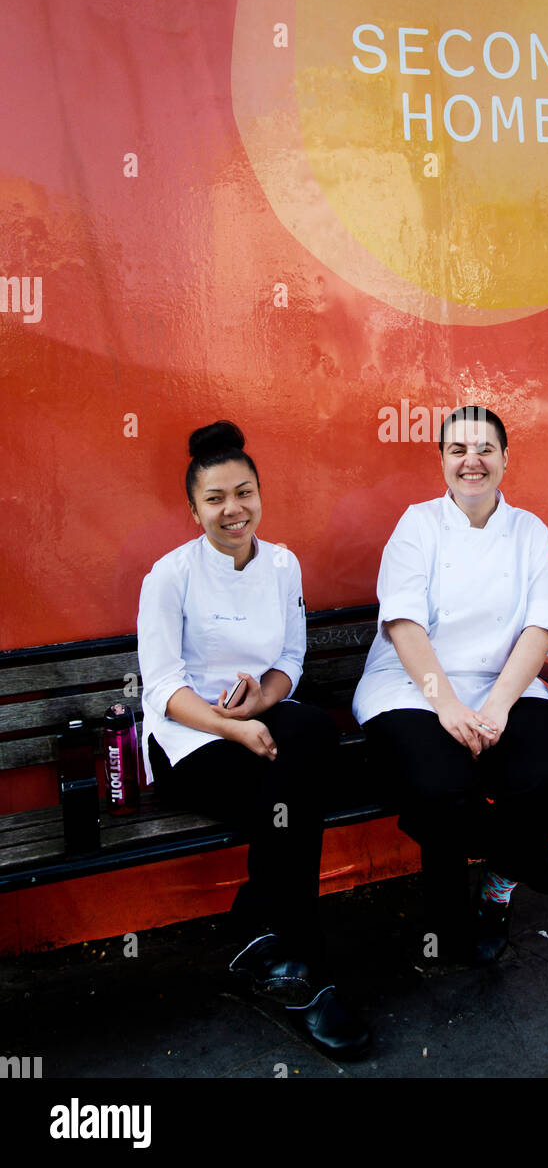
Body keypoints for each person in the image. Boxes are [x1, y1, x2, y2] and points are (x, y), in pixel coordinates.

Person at [137, 420, 369, 1058]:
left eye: (244, 493)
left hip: (257, 717)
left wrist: (261, 704)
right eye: (215, 499)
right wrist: (231, 726)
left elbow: (289, 658)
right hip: (191, 736)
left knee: (312, 735)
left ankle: (258, 930)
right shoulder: (170, 576)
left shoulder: (283, 565)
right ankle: (308, 971)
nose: (232, 510)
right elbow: (160, 686)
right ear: (194, 510)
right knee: (295, 792)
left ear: (260, 496)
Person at [353, 405, 548, 964]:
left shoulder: (530, 531)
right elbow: (403, 624)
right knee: (441, 791)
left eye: (484, 450)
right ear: (442, 461)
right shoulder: (417, 524)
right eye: (457, 450)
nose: (471, 461)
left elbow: (540, 625)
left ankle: (500, 884)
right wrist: (447, 705)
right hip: (411, 685)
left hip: (503, 683)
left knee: (547, 781)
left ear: (505, 458)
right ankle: (524, 858)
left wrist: (498, 706)